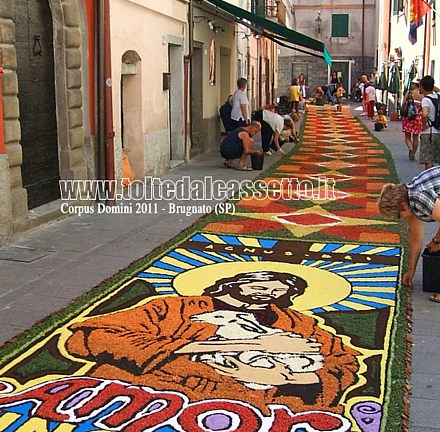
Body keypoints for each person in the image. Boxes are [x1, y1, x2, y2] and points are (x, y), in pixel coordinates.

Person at [66, 270, 359, 414]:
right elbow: (92, 337)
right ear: (234, 284)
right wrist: (249, 348)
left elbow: (343, 362)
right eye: (259, 286)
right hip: (152, 399)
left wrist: (291, 379)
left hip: (263, 413)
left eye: (275, 292)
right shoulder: (173, 308)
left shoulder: (297, 323)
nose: (265, 294)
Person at [378, 167, 440, 301]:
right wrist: (411, 270)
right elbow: (416, 238)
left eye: (398, 216)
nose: (400, 218)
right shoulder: (409, 198)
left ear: (403, 206)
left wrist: (436, 241)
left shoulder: (419, 197)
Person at [419, 75, 440, 169]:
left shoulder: (426, 100)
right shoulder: (438, 96)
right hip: (438, 131)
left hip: (429, 133)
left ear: (422, 87)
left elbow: (425, 114)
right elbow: (437, 89)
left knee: (428, 160)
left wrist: (424, 125)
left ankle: (430, 181)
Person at [401, 81, 422, 160]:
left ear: (414, 84)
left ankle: (410, 148)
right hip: (417, 116)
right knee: (416, 136)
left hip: (408, 116)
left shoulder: (409, 93)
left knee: (407, 135)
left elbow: (403, 103)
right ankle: (414, 152)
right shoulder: (421, 95)